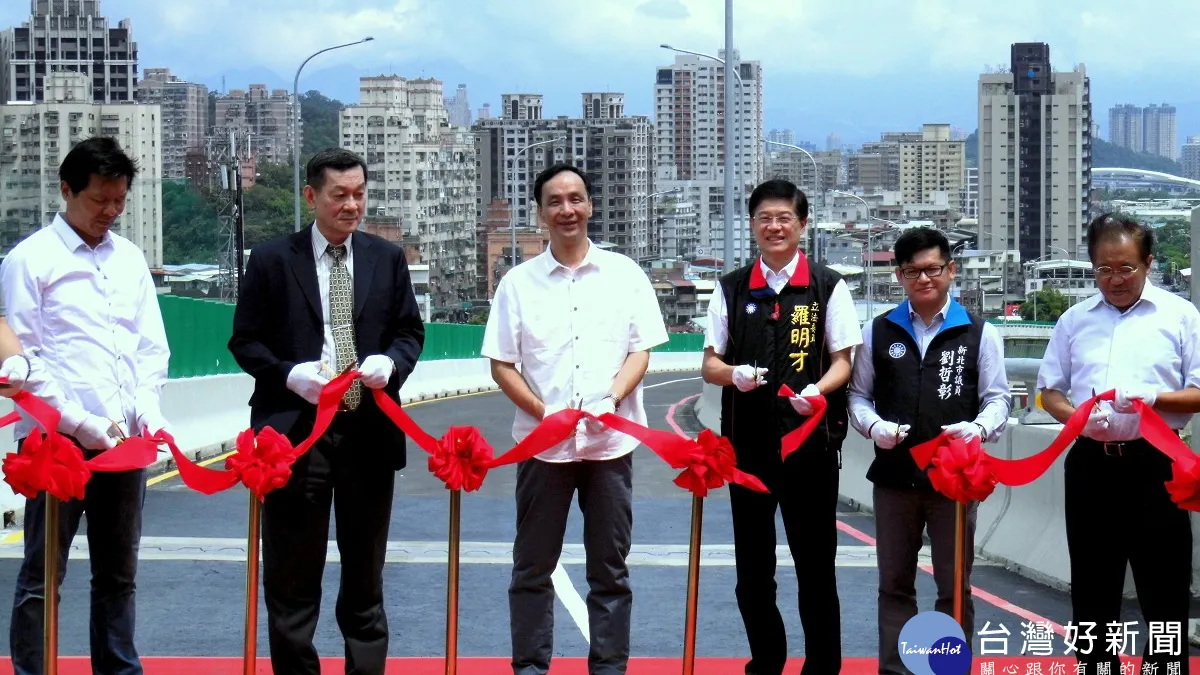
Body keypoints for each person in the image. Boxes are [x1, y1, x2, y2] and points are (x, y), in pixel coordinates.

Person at [228, 147, 425, 675]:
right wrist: (289, 375)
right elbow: (245, 342)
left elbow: (410, 331)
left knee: (366, 579)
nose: (352, 205)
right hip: (294, 440)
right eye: (340, 195)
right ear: (312, 196)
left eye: (359, 194)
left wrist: (391, 362)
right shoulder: (272, 260)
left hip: (368, 436)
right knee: (293, 579)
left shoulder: (386, 258)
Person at [481, 163, 668, 675]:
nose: (567, 210)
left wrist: (612, 397)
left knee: (609, 569)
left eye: (576, 199)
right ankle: (530, 667)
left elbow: (640, 351)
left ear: (590, 206)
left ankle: (609, 666)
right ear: (540, 214)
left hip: (610, 447)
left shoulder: (625, 275)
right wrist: (546, 414)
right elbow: (501, 363)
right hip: (543, 449)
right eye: (555, 202)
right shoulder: (517, 284)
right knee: (532, 566)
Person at [1, 136, 171, 675]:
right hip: (56, 443)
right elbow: (24, 358)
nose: (110, 212)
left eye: (119, 200)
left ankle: (119, 669)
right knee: (43, 572)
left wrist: (148, 408)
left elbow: (149, 345)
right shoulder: (30, 259)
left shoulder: (130, 258)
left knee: (119, 571)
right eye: (100, 199)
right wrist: (79, 422)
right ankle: (34, 669)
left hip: (123, 441)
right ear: (67, 190)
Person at [701, 178, 862, 675]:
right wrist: (735, 375)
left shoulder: (827, 285)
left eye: (784, 218)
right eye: (764, 218)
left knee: (816, 567)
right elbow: (709, 363)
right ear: (752, 225)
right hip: (747, 451)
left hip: (811, 450)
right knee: (753, 570)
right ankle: (766, 660)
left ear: (802, 225)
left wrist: (820, 389)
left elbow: (844, 361)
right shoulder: (730, 287)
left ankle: (822, 666)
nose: (774, 226)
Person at [846, 227, 1011, 674]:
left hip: (954, 481)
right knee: (895, 584)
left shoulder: (980, 333)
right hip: (894, 479)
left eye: (933, 269)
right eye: (912, 271)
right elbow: (857, 396)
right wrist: (873, 425)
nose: (924, 279)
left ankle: (946, 667)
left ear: (950, 271)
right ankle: (896, 669)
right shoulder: (877, 331)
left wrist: (978, 428)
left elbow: (998, 398)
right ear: (898, 276)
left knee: (953, 585)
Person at [1036, 213, 1195, 675]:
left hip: (1158, 464)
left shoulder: (1180, 316)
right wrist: (1078, 419)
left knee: (1163, 587)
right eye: (1104, 269)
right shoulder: (1074, 320)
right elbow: (1049, 391)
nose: (1115, 279)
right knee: (1092, 588)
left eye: (1126, 268)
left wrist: (1154, 398)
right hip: (1091, 463)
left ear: (1147, 263)